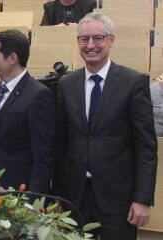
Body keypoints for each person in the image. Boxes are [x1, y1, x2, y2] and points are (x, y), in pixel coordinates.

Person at [54, 13, 157, 239]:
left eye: (98, 38)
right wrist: (58, 195)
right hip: (75, 198)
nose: (90, 45)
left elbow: (146, 148)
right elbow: (61, 143)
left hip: (119, 199)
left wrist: (142, 199)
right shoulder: (66, 84)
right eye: (84, 39)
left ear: (111, 40)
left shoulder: (133, 82)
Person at [0, 30, 56, 194]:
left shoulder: (39, 95)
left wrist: (33, 202)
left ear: (12, 59)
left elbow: (44, 156)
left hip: (21, 195)